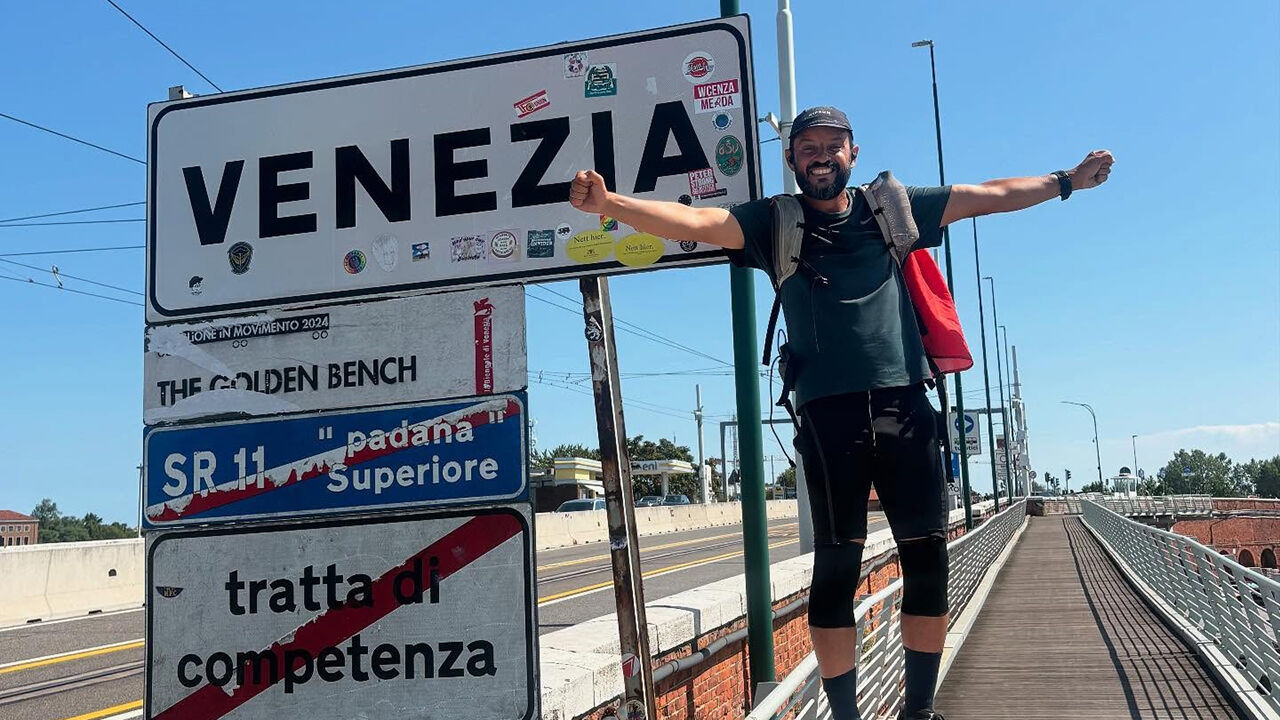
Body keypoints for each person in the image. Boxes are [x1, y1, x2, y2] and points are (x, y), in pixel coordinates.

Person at [569, 106, 1113, 720]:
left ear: (853, 154)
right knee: (834, 572)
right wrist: (612, 205)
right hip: (828, 421)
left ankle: (918, 710)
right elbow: (698, 221)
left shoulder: (893, 207)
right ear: (792, 158)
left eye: (832, 145)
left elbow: (987, 195)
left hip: (907, 406)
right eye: (807, 147)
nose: (820, 155)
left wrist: (1065, 181)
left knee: (927, 562)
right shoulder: (773, 222)